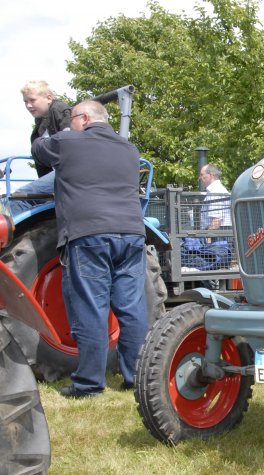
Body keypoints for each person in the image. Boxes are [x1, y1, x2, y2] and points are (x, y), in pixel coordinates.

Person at [31, 100, 148, 398]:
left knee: (90, 308)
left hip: (90, 234)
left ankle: (89, 383)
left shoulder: (69, 141)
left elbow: (39, 150)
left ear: (83, 119)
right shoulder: (129, 149)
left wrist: (47, 128)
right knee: (132, 307)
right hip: (132, 234)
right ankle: (136, 376)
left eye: (72, 120)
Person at [9, 81, 72, 215]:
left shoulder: (59, 110)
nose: (28, 105)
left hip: (68, 171)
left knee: (18, 198)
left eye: (32, 100)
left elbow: (69, 143)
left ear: (49, 98)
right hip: (57, 172)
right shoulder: (40, 123)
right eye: (25, 102)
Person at [198, 164, 231, 231]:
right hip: (218, 234)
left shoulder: (216, 191)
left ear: (211, 175)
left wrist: (208, 239)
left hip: (218, 236)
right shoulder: (215, 190)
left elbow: (216, 221)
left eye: (202, 175)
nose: (200, 178)